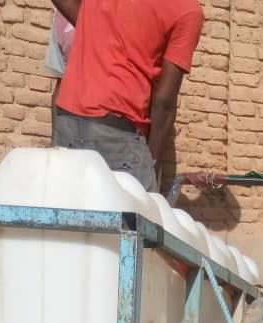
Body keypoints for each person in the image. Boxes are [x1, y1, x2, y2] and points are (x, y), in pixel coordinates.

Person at [50, 0, 204, 191]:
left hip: (67, 120)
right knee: (139, 217)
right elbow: (164, 102)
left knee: (66, 212)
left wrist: (89, 27)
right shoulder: (187, 10)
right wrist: (152, 164)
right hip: (119, 134)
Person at [43, 10, 75, 129]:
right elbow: (61, 84)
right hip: (73, 123)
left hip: (114, 124)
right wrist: (56, 140)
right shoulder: (61, 19)